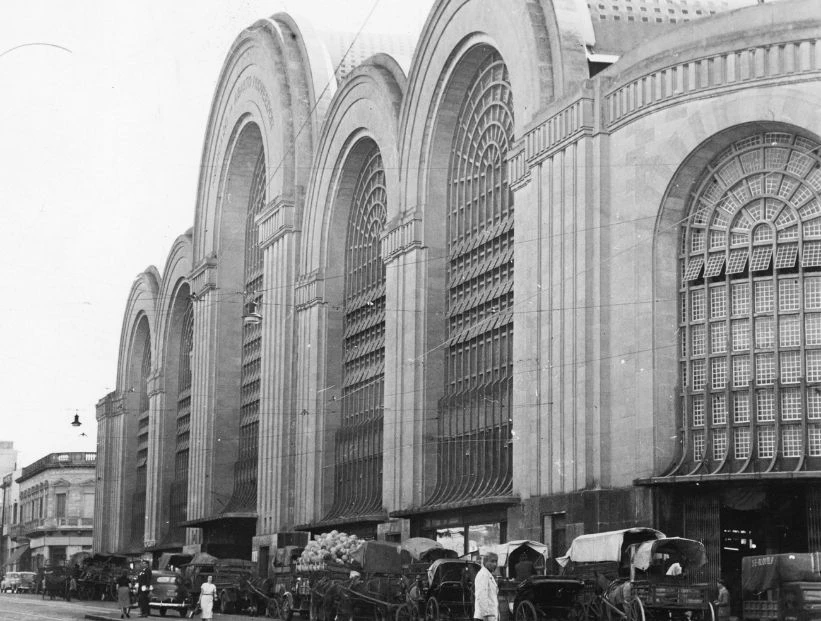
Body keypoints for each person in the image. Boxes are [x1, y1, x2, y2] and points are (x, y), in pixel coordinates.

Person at [474, 552, 499, 621]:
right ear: (485, 562)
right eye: (492, 561)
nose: (495, 564)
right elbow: (481, 596)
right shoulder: (483, 575)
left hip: (489, 616)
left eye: (496, 561)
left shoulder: (488, 574)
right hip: (484, 617)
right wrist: (485, 615)